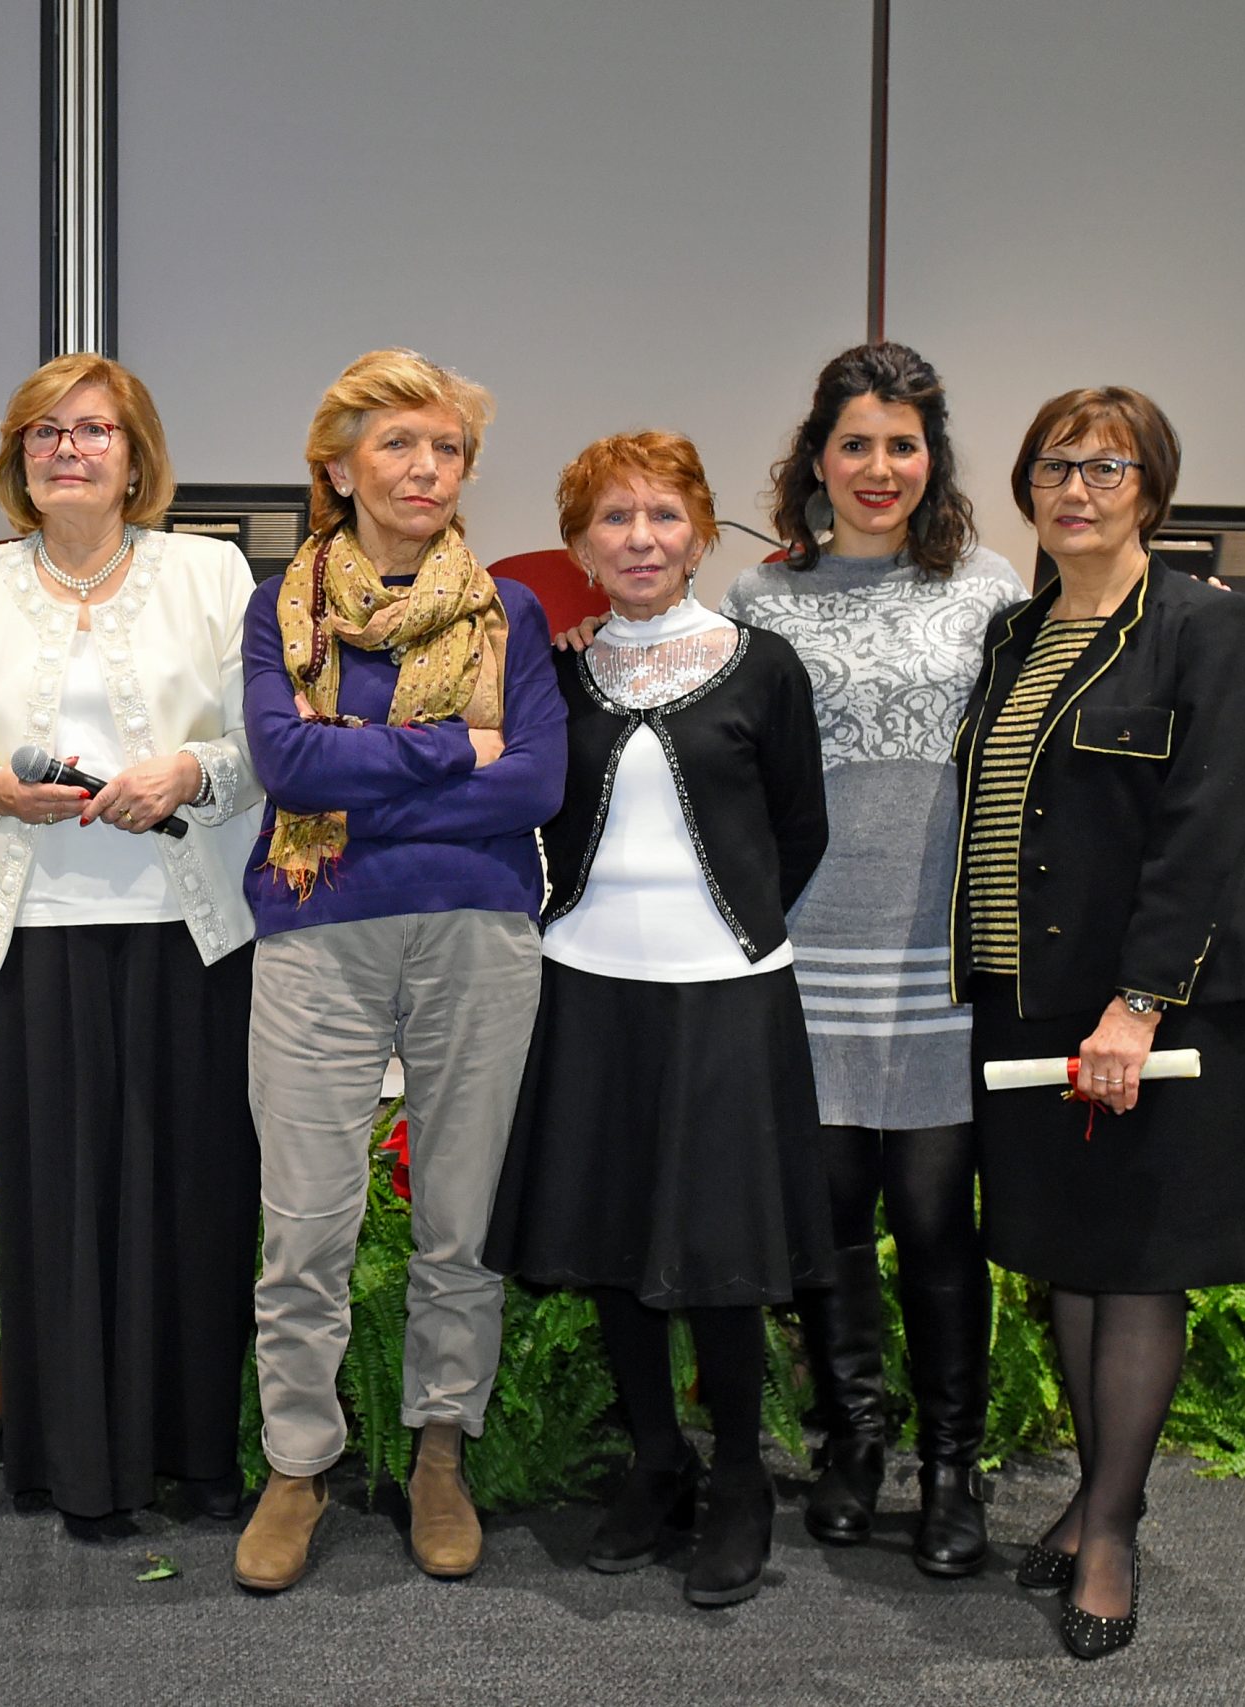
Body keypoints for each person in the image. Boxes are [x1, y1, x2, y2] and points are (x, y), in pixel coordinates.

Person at [0, 353, 263, 1536]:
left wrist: (189, 771)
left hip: (189, 935)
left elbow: (269, 741)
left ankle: (195, 1459)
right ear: (18, 457)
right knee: (56, 1206)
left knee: (194, 1199)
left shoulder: (210, 573)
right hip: (31, 937)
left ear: (134, 454)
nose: (68, 449)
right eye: (44, 432)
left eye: (93, 429)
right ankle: (76, 1468)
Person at [951, 387, 1245, 1660]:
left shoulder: (1202, 624)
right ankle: (1093, 1497)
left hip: (1159, 1009)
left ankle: (1111, 1535)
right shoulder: (1014, 633)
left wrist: (1136, 1005)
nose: (1074, 489)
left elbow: (1205, 824)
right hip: (1026, 1000)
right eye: (1053, 466)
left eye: (1106, 467)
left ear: (1152, 487)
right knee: (1068, 1258)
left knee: (1137, 1264)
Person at [233, 349, 566, 1592]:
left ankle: (438, 1451)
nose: (426, 469)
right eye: (397, 445)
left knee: (458, 1219)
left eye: (447, 449)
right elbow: (287, 766)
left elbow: (534, 783)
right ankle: (297, 1465)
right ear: (337, 467)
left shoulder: (509, 612)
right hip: (317, 931)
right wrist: (452, 749)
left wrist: (365, 762)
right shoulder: (281, 607)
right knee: (304, 1226)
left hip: (477, 930)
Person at [486, 430, 831, 1610]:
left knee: (721, 1253)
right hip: (586, 985)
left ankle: (739, 1480)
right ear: (579, 546)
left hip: (725, 993)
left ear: (699, 534)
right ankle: (655, 1461)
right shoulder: (555, 674)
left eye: (664, 516)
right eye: (614, 519)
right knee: (612, 1240)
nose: (640, 539)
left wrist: (724, 929)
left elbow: (799, 829)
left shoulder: (763, 666)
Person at [725, 343, 1025, 1574]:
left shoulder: (990, 589)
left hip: (939, 954)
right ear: (817, 457)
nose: (879, 467)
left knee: (937, 1220)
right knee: (832, 1214)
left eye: (902, 445)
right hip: (809, 950)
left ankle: (953, 1466)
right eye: (855, 443)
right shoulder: (759, 599)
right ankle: (852, 1438)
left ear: (930, 459)